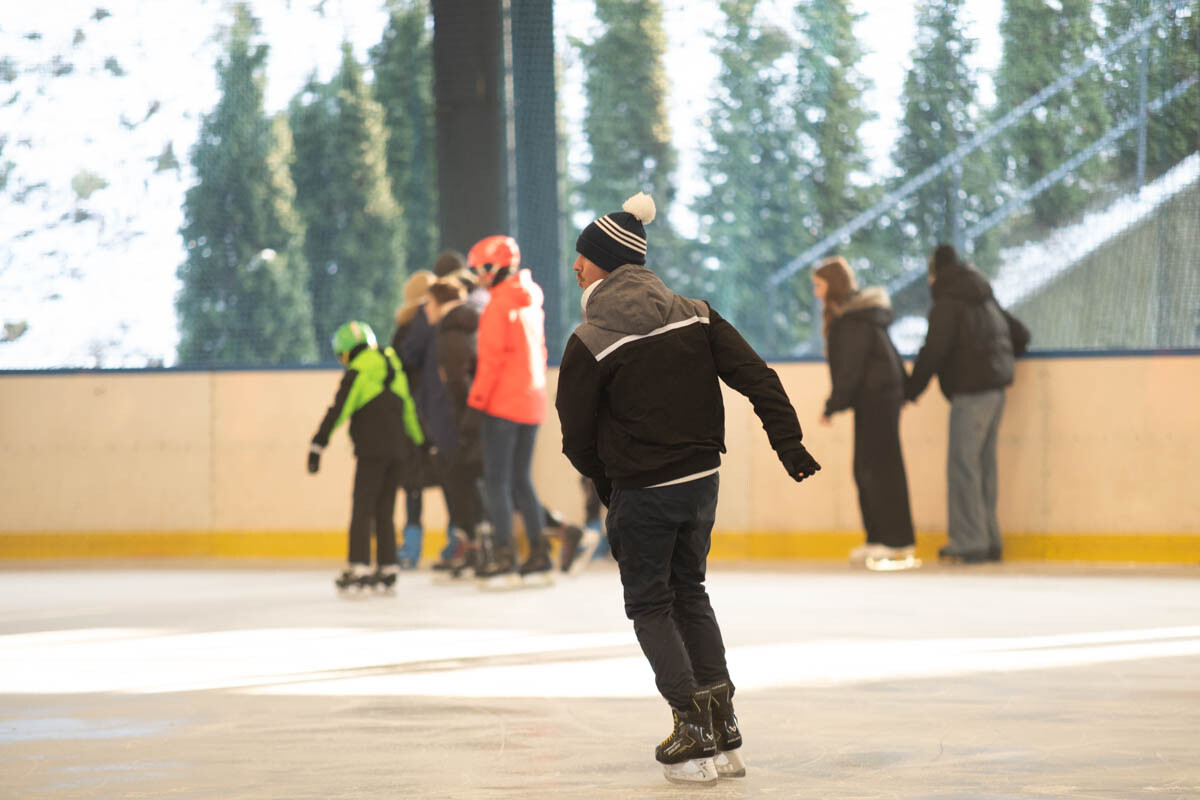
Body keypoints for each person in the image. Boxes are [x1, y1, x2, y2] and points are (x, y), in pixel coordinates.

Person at [555, 192, 821, 785]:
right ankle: (722, 727)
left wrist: (609, 488)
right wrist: (789, 443)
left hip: (643, 491)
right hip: (702, 482)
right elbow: (758, 377)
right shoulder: (697, 314)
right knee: (690, 592)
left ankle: (690, 728)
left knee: (651, 603)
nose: (575, 267)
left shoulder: (591, 340)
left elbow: (576, 440)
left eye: (583, 257)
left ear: (607, 265)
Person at [906, 244, 1030, 564]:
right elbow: (1021, 335)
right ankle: (988, 539)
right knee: (983, 467)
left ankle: (969, 541)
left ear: (934, 274)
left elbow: (933, 350)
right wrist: (992, 357)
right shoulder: (983, 295)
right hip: (995, 391)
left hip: (971, 392)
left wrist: (910, 390)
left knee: (963, 467)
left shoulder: (948, 303)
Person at [813, 257, 919, 570]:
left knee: (879, 468)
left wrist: (833, 404)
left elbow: (851, 367)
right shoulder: (858, 315)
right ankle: (877, 538)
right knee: (865, 468)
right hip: (875, 398)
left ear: (833, 285)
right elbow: (889, 354)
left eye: (819, 286)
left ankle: (896, 541)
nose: (817, 293)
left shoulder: (853, 320)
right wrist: (907, 388)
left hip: (877, 398)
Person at [308, 321, 424, 593]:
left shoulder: (358, 370)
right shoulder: (393, 367)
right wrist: (420, 444)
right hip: (398, 452)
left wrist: (318, 443)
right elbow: (408, 409)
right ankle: (388, 568)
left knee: (362, 508)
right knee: (385, 510)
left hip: (372, 452)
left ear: (346, 352)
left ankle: (358, 566)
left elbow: (339, 409)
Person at [465, 235, 555, 588]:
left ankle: (504, 557)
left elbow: (491, 361)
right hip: (531, 402)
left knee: (497, 482)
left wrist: (476, 403)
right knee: (521, 480)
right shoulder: (531, 302)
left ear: (498, 266)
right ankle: (539, 555)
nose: (479, 277)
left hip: (502, 403)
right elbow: (541, 353)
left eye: (482, 269)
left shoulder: (498, 306)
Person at [422, 278, 489, 578]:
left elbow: (459, 380)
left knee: (468, 486)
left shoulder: (451, 331)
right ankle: (476, 551)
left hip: (463, 421)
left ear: (438, 303)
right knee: (470, 486)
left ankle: (480, 552)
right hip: (469, 418)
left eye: (428, 303)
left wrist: (464, 422)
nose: (425, 309)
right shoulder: (462, 325)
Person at [391, 270, 439, 568]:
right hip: (437, 412)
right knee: (448, 477)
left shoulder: (403, 329)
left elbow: (397, 371)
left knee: (412, 481)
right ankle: (456, 539)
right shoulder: (439, 324)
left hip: (410, 414)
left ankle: (411, 547)